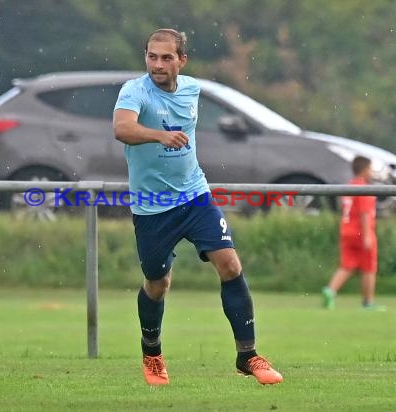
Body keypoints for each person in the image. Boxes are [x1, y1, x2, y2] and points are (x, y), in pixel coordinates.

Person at [112, 28, 283, 386]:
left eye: (166, 57)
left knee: (230, 264)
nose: (157, 64)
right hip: (152, 206)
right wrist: (159, 135)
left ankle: (248, 355)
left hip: (194, 196)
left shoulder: (192, 88)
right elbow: (122, 129)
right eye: (152, 57)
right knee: (158, 283)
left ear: (181, 60)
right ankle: (152, 351)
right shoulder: (134, 91)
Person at [322, 155, 385, 311]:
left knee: (347, 266)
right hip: (361, 232)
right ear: (364, 170)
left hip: (347, 231)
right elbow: (364, 213)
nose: (371, 172)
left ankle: (330, 290)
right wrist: (367, 235)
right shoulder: (364, 188)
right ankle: (367, 302)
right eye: (370, 169)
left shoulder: (349, 186)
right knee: (369, 267)